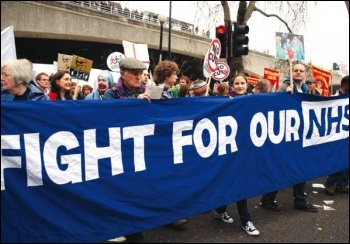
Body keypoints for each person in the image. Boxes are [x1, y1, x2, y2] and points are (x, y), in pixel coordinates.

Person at [260, 63, 318, 212]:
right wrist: (285, 96)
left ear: (305, 74)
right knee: (282, 167)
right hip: (285, 136)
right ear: (292, 73)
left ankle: (300, 200)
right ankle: (268, 198)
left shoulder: (305, 90)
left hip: (299, 135)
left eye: (301, 71)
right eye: (296, 70)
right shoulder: (285, 88)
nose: (298, 73)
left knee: (301, 168)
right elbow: (275, 105)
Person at [103, 57, 150, 242]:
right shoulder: (111, 94)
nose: (139, 77)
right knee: (119, 189)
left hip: (140, 149)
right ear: (123, 74)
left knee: (138, 189)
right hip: (118, 150)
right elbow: (107, 118)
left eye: (141, 73)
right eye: (135, 73)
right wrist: (133, 104)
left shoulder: (147, 91)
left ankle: (135, 226)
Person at [214, 73, 260, 236]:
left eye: (242, 83)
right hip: (230, 150)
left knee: (237, 181)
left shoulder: (254, 100)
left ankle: (220, 208)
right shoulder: (226, 102)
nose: (240, 86)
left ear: (247, 84)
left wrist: (289, 93)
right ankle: (246, 220)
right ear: (232, 86)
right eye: (237, 83)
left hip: (247, 149)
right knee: (240, 182)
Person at [324, 75, 349, 195]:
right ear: (345, 85)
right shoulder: (334, 98)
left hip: (347, 134)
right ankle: (330, 182)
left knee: (346, 160)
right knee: (339, 159)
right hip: (337, 134)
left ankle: (342, 184)